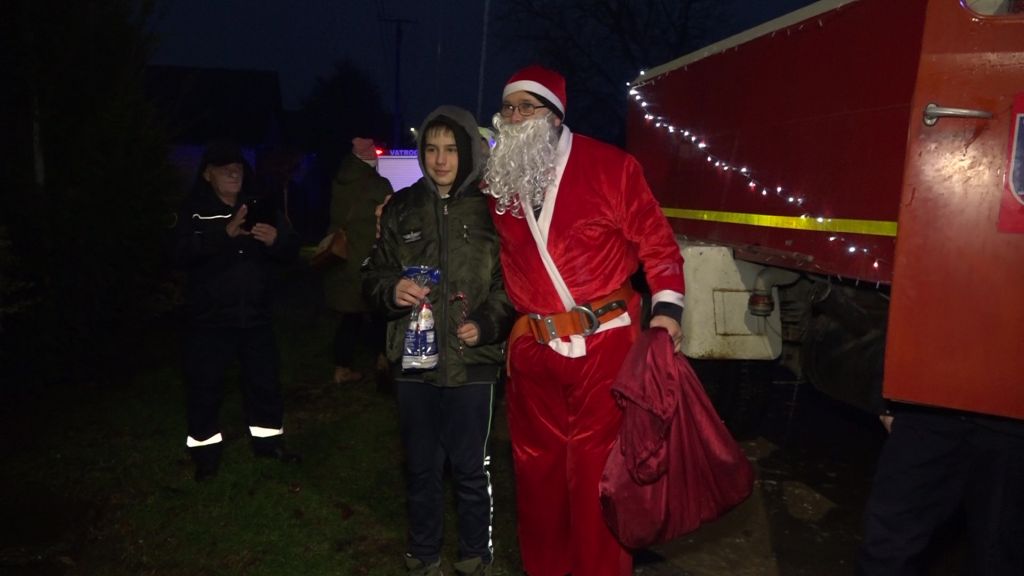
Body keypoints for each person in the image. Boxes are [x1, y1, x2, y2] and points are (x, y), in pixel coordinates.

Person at [483, 65, 686, 575]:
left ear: (554, 116)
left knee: (600, 478)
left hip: (605, 347)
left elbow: (658, 244)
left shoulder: (611, 167)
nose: (514, 117)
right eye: (508, 108)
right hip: (533, 352)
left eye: (526, 107)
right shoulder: (499, 184)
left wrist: (666, 312)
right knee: (537, 479)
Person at [363, 105, 514, 576]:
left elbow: (511, 285)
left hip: (473, 361)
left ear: (468, 152)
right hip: (414, 361)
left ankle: (475, 554)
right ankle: (424, 553)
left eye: (451, 149)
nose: (441, 159)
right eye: (432, 149)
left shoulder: (494, 211)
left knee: (471, 467)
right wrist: (392, 291)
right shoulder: (401, 207)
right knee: (421, 466)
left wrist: (486, 324)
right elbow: (373, 275)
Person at [171, 139, 301, 482]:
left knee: (264, 383)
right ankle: (205, 455)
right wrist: (222, 234)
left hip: (255, 316)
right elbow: (178, 253)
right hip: (209, 319)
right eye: (225, 169)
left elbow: (291, 248)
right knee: (205, 387)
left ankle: (269, 444)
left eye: (238, 168)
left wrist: (275, 241)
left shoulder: (259, 205)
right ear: (208, 175)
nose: (233, 174)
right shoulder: (194, 211)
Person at [857, 404, 1024, 575]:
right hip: (924, 413)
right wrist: (885, 403)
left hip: (1013, 427)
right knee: (888, 543)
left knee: (998, 555)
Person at [323, 137, 394, 385]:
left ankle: (342, 367)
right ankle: (383, 360)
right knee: (379, 311)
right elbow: (391, 214)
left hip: (341, 255)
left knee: (350, 316)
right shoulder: (377, 184)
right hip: (367, 258)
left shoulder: (339, 179)